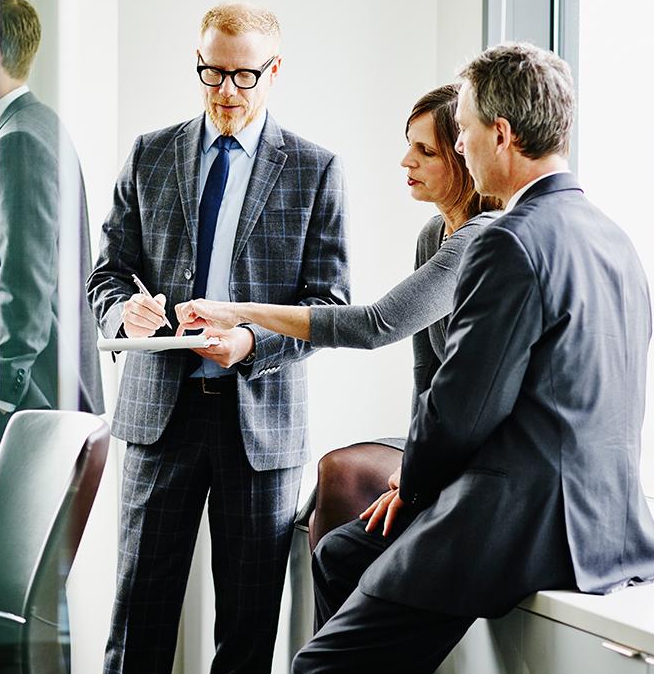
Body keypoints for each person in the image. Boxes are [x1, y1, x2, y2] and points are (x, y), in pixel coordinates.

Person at [285, 42, 654, 674]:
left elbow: (462, 408)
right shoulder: (611, 235)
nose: (463, 144)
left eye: (465, 132)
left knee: (319, 670)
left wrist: (415, 486)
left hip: (524, 522)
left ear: (501, 135)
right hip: (607, 518)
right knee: (341, 554)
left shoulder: (510, 240)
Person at [87, 2, 350, 674]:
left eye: (242, 75)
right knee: (137, 618)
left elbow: (328, 306)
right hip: (160, 418)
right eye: (211, 72)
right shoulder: (150, 153)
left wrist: (251, 342)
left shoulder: (316, 170)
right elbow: (106, 273)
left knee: (247, 627)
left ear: (275, 71)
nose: (226, 90)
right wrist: (126, 309)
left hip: (258, 427)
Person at [175, 83, 500, 565]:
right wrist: (416, 465)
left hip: (481, 449)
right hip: (437, 436)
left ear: (462, 158)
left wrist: (241, 310)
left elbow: (376, 325)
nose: (405, 161)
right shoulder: (433, 233)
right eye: (408, 144)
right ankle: (336, 633)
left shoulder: (479, 239)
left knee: (344, 474)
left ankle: (344, 633)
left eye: (424, 150)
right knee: (339, 478)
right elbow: (425, 374)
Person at [0, 0, 104, 443]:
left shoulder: (18, 140)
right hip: (44, 401)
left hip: (29, 406)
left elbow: (25, 283)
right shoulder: (41, 123)